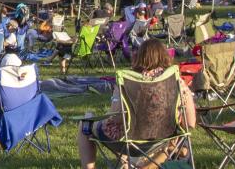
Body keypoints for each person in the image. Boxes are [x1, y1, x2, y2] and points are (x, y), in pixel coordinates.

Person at [76, 39, 196, 169]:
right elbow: (190, 123)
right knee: (175, 135)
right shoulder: (177, 82)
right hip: (164, 138)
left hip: (130, 139)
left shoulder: (128, 81)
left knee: (85, 125)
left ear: (140, 57)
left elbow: (115, 117)